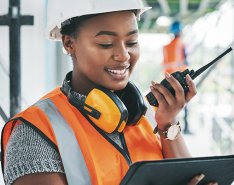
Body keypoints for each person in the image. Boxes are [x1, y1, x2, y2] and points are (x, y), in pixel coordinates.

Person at [1, 0, 218, 185]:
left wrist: (168, 124)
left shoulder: (147, 116)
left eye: (132, 42)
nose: (123, 56)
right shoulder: (35, 133)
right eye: (106, 44)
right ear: (69, 43)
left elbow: (189, 177)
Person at [163, 20, 191, 134]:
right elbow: (183, 62)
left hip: (168, 78)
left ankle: (171, 129)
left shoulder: (167, 46)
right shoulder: (180, 44)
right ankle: (182, 128)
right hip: (179, 79)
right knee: (182, 104)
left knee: (172, 105)